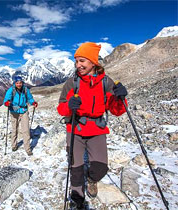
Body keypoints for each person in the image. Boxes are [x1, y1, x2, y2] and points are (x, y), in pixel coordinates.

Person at [57, 42, 128, 209]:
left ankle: (91, 179)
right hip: (75, 128)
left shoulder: (106, 83)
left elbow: (117, 111)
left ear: (93, 62)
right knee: (75, 168)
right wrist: (69, 106)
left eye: (82, 60)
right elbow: (61, 108)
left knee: (100, 167)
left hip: (97, 129)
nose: (78, 65)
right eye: (76, 61)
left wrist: (120, 98)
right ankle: (77, 198)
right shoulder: (71, 83)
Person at [3, 76, 38, 156]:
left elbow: (30, 98)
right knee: (15, 129)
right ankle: (14, 145)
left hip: (24, 111)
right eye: (17, 83)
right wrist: (7, 103)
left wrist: (33, 103)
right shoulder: (11, 90)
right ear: (15, 83)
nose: (19, 84)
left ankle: (28, 149)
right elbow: (5, 100)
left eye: (20, 83)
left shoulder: (25, 90)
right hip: (14, 111)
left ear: (22, 83)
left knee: (26, 130)